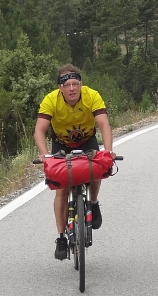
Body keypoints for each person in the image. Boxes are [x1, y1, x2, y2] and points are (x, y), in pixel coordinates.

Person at [34, 64, 116, 260]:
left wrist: (109, 151)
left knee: (97, 167)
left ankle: (93, 204)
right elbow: (39, 130)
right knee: (62, 189)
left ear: (81, 84)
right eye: (67, 84)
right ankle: (61, 237)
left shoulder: (92, 96)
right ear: (60, 88)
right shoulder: (50, 100)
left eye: (75, 84)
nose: (72, 88)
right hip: (61, 145)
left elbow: (104, 123)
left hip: (87, 140)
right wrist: (45, 156)